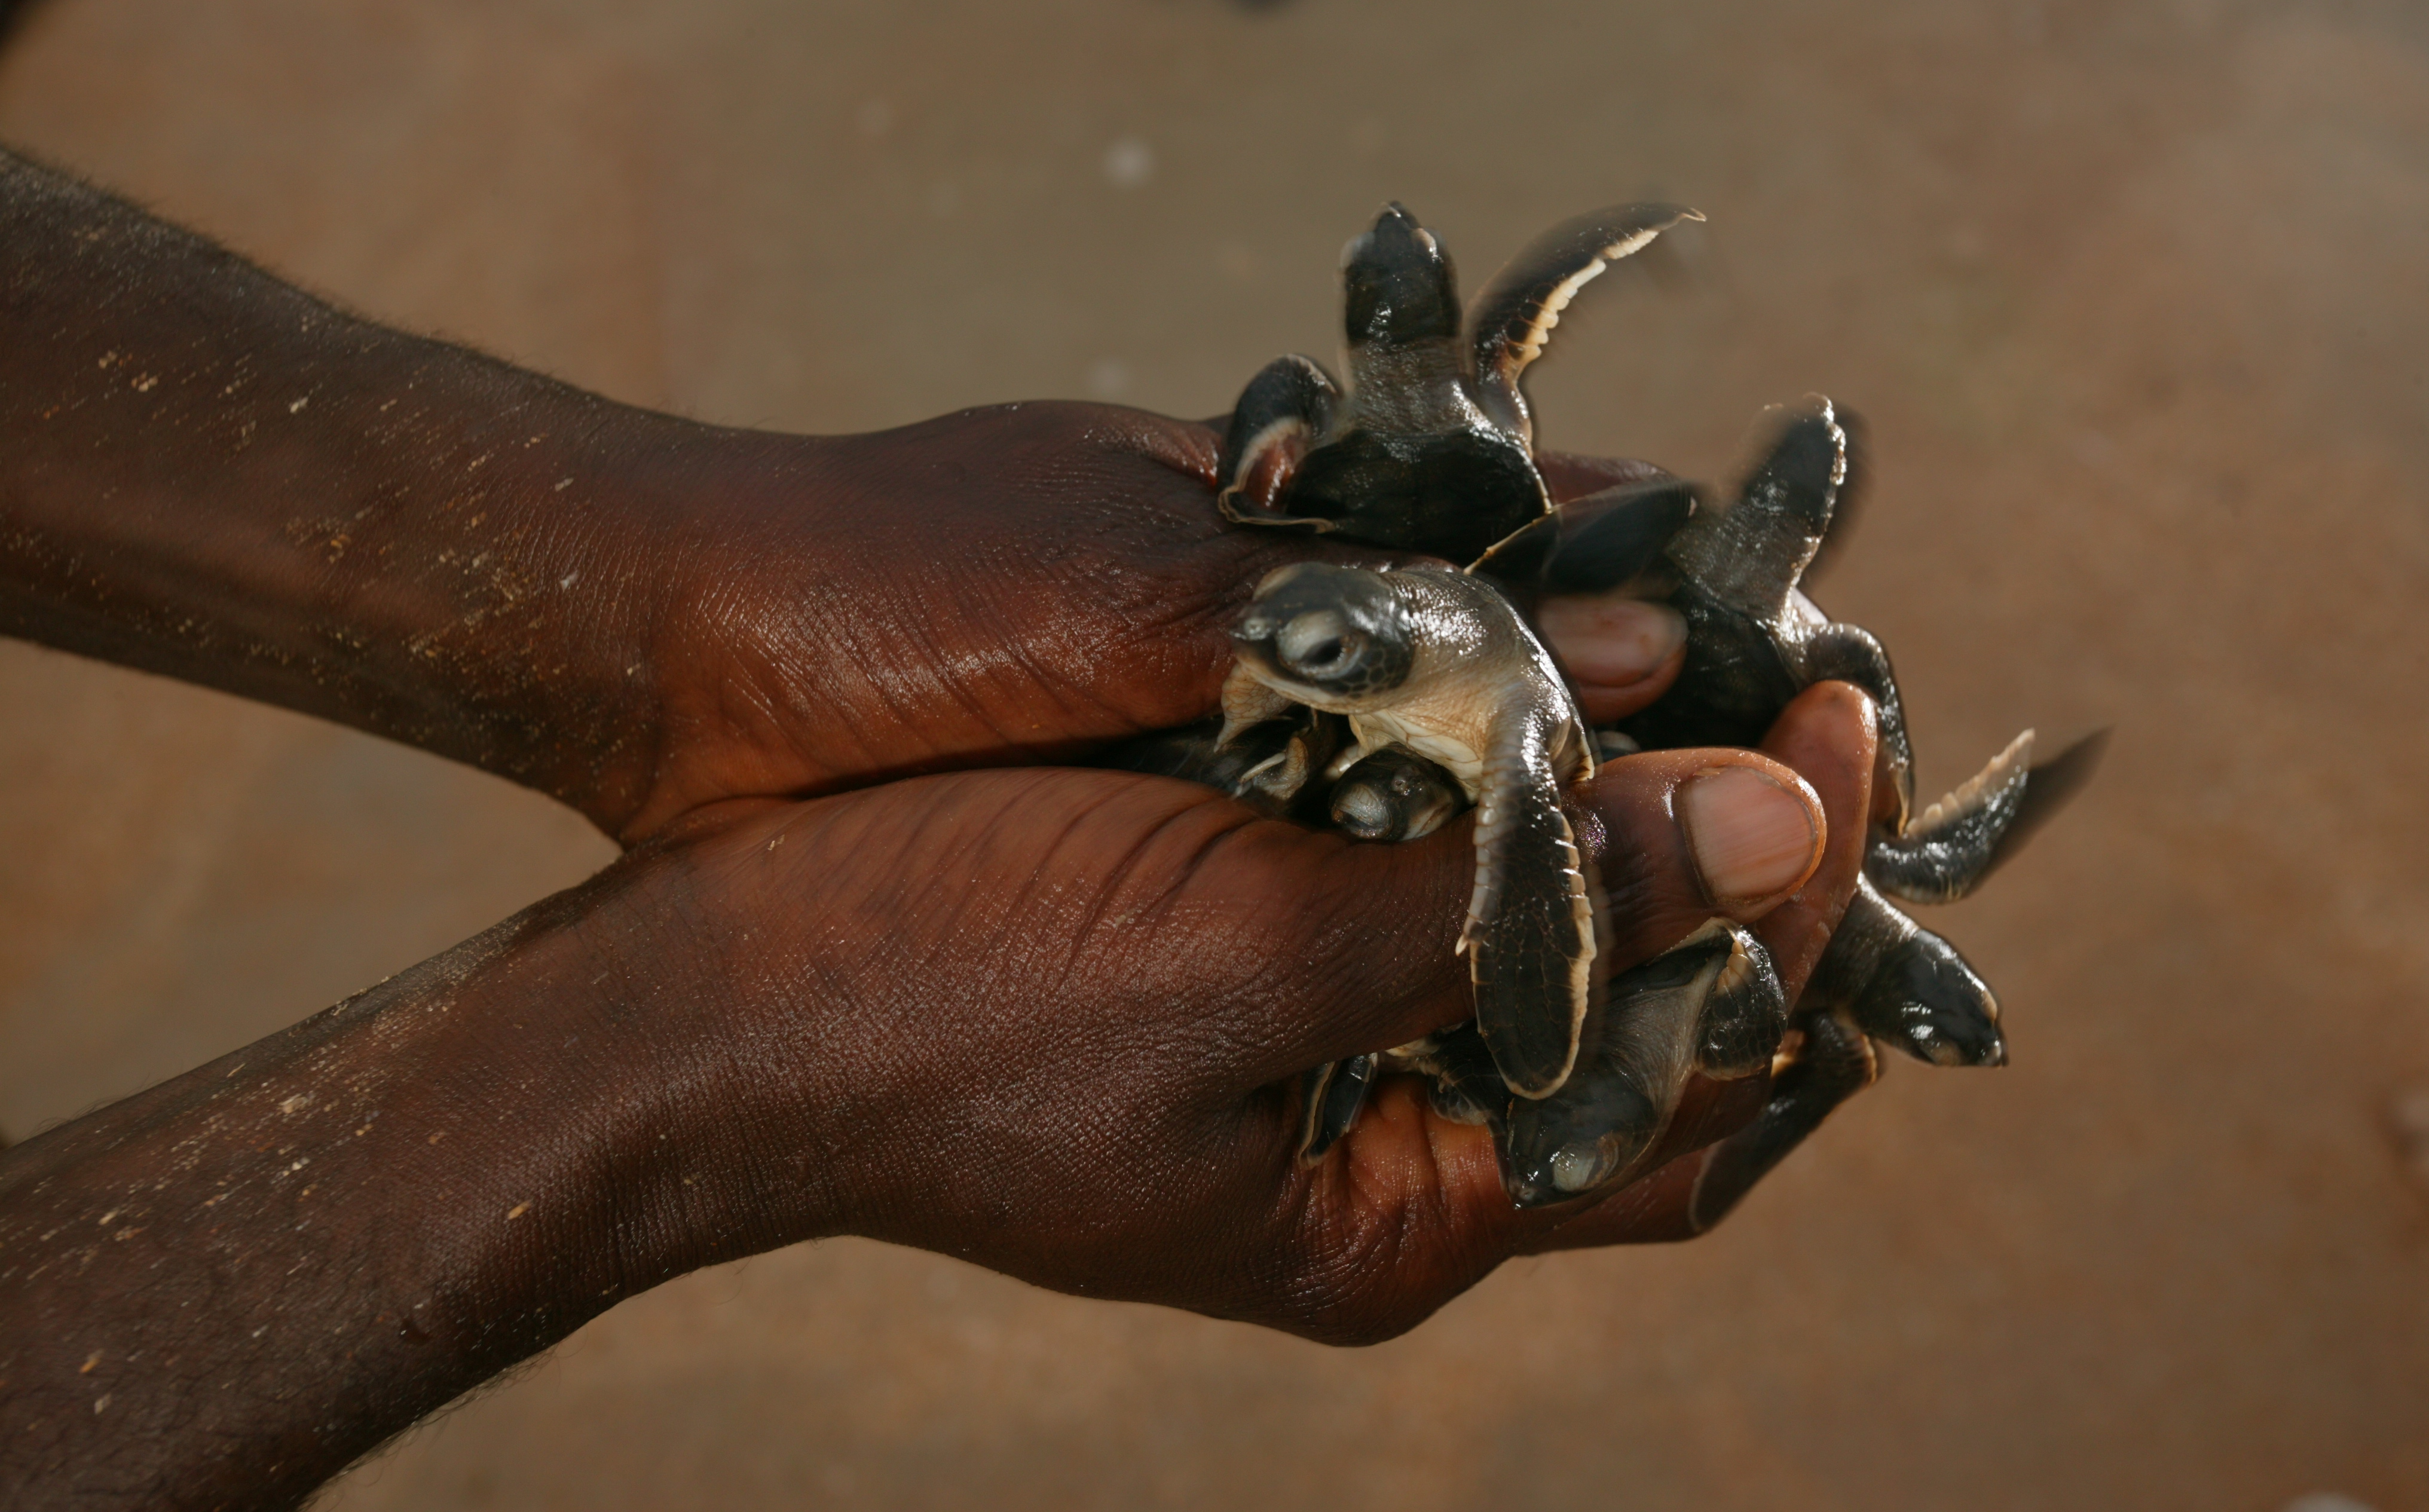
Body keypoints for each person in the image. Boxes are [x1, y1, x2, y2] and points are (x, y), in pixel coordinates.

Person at [0, 147, 1879, 1511]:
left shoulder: (1416, 596)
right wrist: (727, 1044)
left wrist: (675, 608)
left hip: (1498, 685)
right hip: (1460, 700)